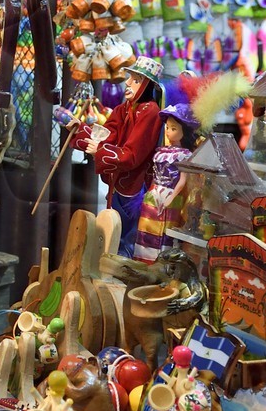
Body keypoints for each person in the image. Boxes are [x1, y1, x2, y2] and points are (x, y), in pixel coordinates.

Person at [82, 56, 164, 257]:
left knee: (125, 235)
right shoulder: (124, 108)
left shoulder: (150, 112)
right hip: (118, 181)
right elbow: (108, 133)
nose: (127, 83)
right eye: (130, 77)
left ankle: (120, 270)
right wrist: (80, 131)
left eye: (135, 80)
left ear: (146, 85)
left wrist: (100, 151)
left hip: (133, 184)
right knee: (113, 230)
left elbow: (133, 155)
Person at [133, 106, 197, 263]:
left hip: (170, 194)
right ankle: (142, 260)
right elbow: (155, 174)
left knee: (163, 231)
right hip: (154, 193)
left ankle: (159, 264)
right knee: (146, 227)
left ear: (185, 132)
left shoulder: (185, 155)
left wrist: (171, 197)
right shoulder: (161, 151)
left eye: (173, 128)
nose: (168, 132)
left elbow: (182, 180)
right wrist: (150, 191)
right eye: (167, 127)